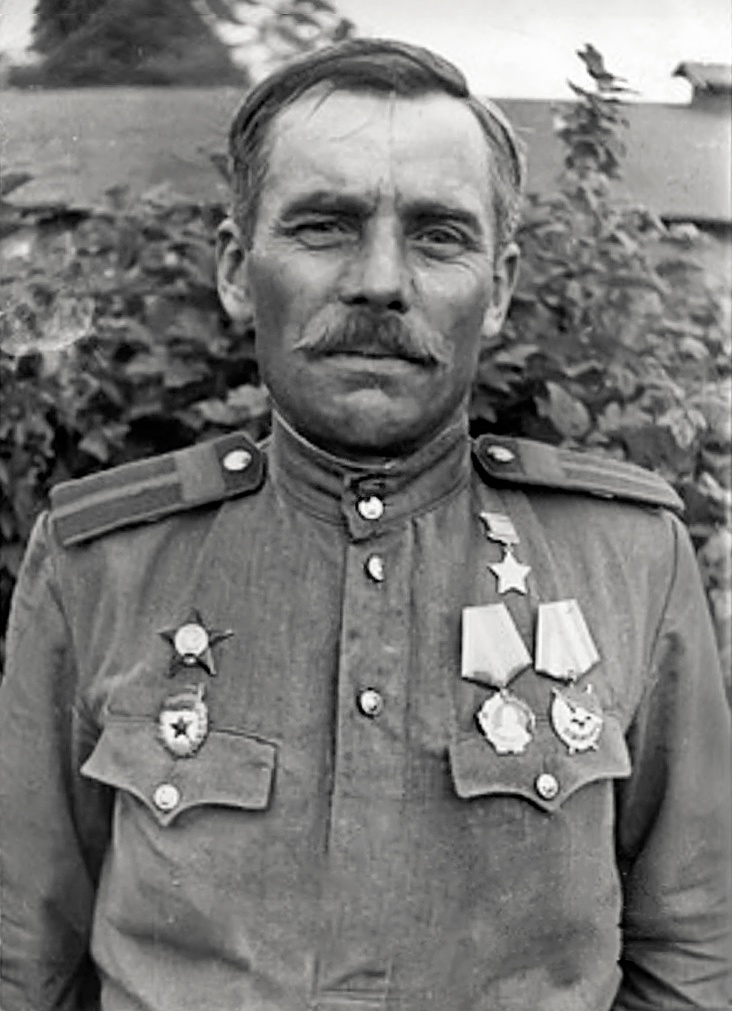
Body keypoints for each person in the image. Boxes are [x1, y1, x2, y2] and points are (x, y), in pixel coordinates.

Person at [0, 38, 729, 1011]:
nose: (381, 280)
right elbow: (24, 954)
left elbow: (695, 950)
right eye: (324, 226)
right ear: (235, 269)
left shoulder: (627, 560)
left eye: (438, 235)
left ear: (501, 287)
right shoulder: (103, 565)